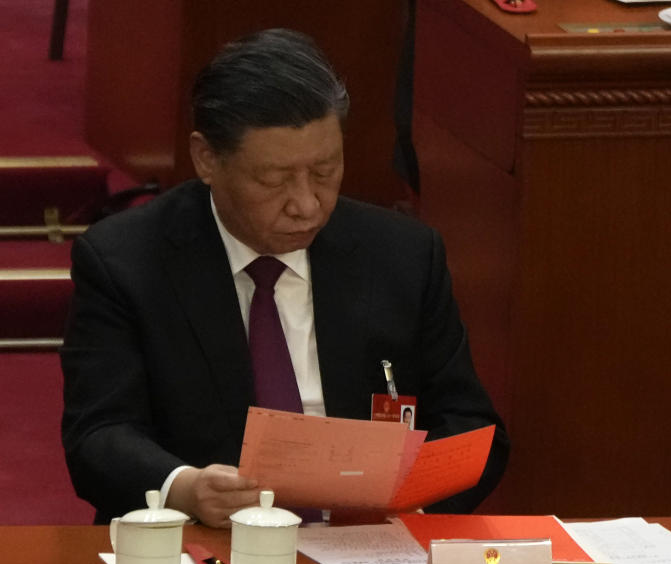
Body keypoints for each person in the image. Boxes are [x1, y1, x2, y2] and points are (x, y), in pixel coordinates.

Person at [61, 28, 509, 528]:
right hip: (204, 554)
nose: (307, 204)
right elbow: (98, 434)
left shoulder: (402, 255)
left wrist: (413, 505)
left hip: (367, 551)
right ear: (207, 158)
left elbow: (471, 425)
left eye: (325, 171)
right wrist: (184, 487)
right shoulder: (126, 260)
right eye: (273, 180)